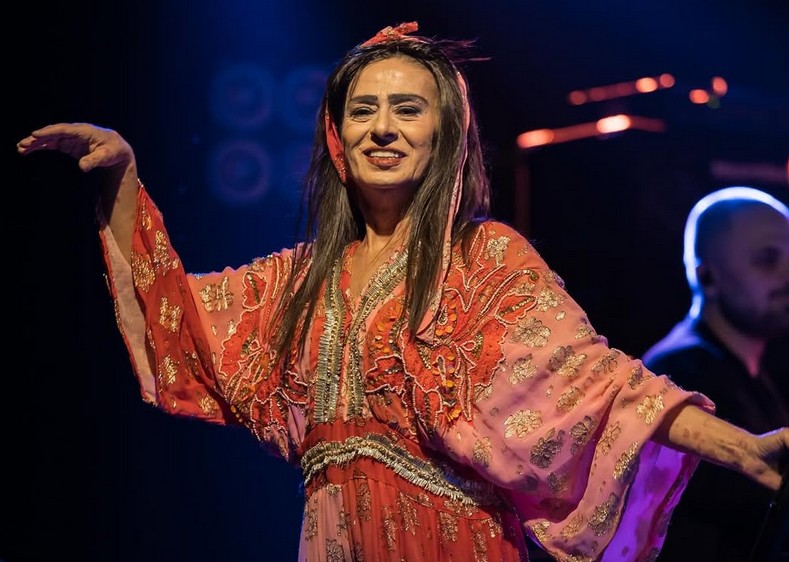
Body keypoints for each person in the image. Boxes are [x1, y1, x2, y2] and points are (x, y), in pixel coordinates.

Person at [16, 22, 789, 562]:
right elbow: (178, 319)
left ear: (442, 134)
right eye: (363, 110)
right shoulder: (296, 280)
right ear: (337, 138)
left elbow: (604, 386)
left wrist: (741, 449)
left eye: (406, 109)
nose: (381, 128)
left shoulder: (483, 259)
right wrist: (123, 181)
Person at [642, 186, 789, 561]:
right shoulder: (680, 373)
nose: (787, 275)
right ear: (707, 277)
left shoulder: (754, 368)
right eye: (768, 260)